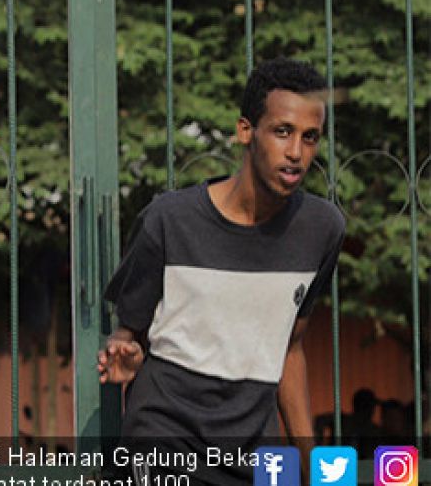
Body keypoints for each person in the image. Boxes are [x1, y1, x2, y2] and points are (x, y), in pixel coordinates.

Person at [97, 57, 346, 484]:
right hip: (166, 440)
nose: (296, 153)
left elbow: (289, 348)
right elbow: (128, 332)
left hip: (255, 447)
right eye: (282, 132)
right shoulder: (168, 221)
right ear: (246, 131)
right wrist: (124, 348)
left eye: (310, 138)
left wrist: (314, 466)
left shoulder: (321, 229)